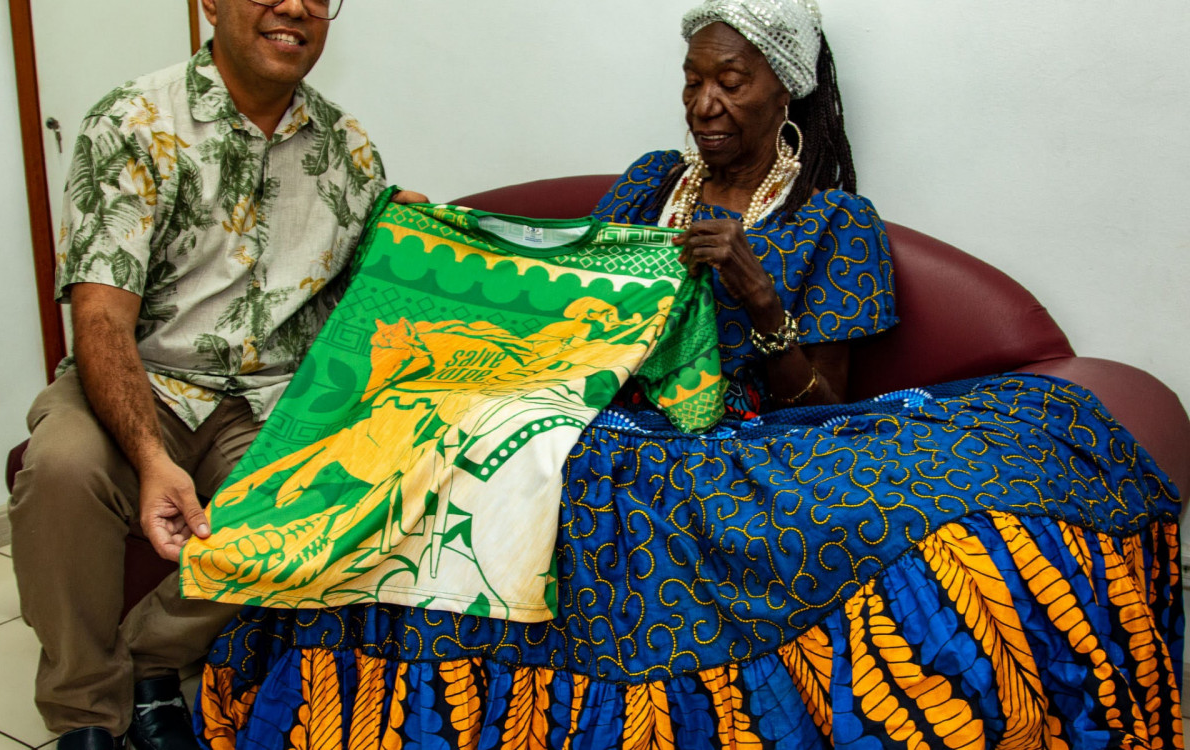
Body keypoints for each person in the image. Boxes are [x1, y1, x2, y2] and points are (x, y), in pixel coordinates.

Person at [193, 1, 1182, 748]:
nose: (706, 100)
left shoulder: (833, 224)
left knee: (923, 498)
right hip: (596, 413)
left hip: (738, 435)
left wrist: (759, 299)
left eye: (733, 80)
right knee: (469, 458)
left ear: (782, 88)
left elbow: (828, 408)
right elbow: (560, 304)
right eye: (694, 77)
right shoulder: (644, 186)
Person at [8, 1, 426, 749]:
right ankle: (84, 712)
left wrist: (408, 237)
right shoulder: (132, 121)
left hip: (269, 395)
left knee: (342, 490)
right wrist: (150, 458)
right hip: (142, 372)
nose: (295, 6)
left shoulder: (348, 148)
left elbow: (366, 294)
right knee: (61, 468)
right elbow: (101, 319)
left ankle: (148, 662)